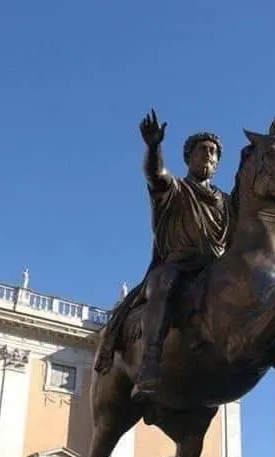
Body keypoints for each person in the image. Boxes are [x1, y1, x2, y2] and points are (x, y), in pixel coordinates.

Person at [120, 109, 234, 403]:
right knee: (163, 283)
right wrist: (154, 146)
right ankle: (150, 362)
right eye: (202, 151)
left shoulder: (227, 202)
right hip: (178, 265)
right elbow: (155, 174)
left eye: (213, 153)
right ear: (189, 158)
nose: (208, 156)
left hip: (216, 270)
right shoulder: (174, 189)